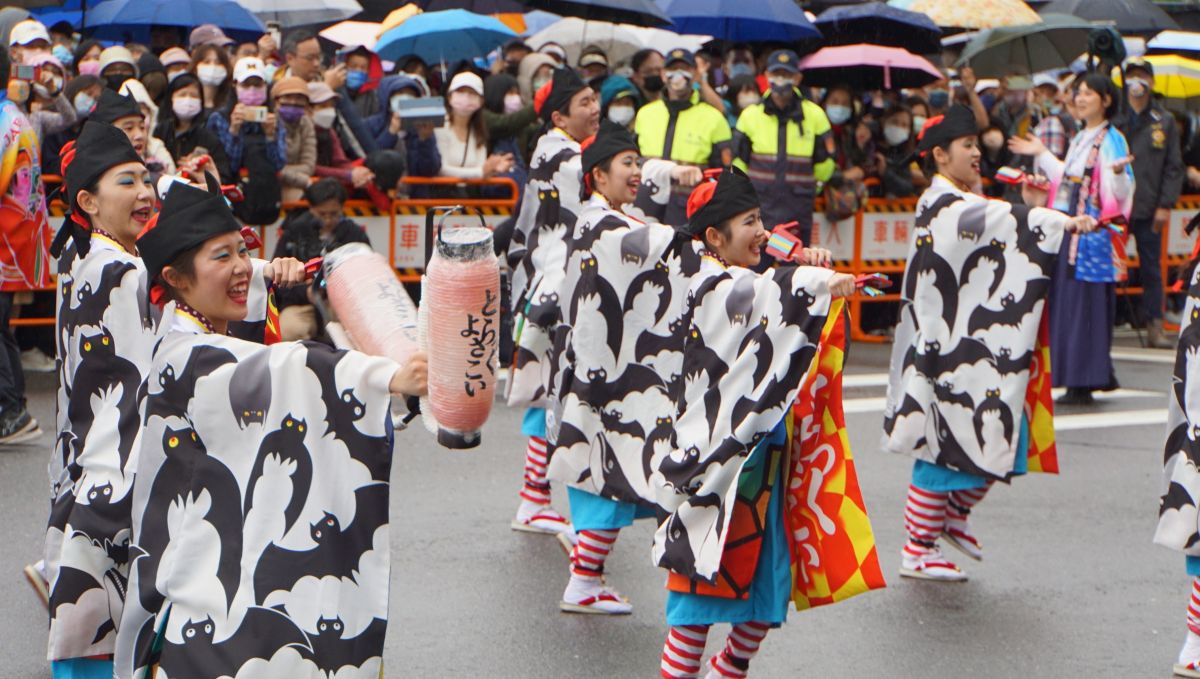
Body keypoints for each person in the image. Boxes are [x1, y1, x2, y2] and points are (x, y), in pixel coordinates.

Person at [112, 178, 426, 677]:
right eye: (222, 257)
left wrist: (269, 275)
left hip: (211, 569)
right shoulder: (188, 355)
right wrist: (383, 376)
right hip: (204, 580)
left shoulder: (197, 332)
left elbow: (253, 353)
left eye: (243, 250)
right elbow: (282, 369)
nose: (241, 267)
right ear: (176, 278)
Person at [654, 165, 870, 679]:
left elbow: (772, 284)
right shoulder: (707, 283)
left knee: (767, 595)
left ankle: (726, 671)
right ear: (713, 237)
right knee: (698, 601)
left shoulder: (741, 276)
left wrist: (805, 265)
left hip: (760, 457)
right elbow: (769, 292)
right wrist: (817, 279)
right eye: (748, 222)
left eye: (760, 220)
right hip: (715, 473)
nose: (761, 232)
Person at [884, 105, 1098, 581]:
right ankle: (917, 548)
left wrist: (1029, 205)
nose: (978, 153)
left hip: (974, 345)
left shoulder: (964, 200)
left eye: (978, 144)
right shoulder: (939, 203)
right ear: (940, 155)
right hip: (944, 347)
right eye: (968, 146)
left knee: (1003, 434)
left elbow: (999, 223)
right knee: (940, 443)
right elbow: (992, 220)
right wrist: (1053, 220)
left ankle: (953, 517)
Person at [546, 120, 671, 614]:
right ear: (598, 176)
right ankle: (583, 579)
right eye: (627, 164)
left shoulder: (608, 219)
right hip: (605, 374)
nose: (636, 172)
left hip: (603, 368)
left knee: (607, 470)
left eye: (638, 163)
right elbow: (671, 255)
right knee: (607, 472)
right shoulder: (608, 225)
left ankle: (586, 572)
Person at [506, 67, 598, 545]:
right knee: (552, 394)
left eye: (594, 98)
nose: (595, 108)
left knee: (549, 392)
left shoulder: (550, 147)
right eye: (584, 101)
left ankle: (534, 496)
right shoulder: (565, 155)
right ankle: (534, 499)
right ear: (560, 114)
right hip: (558, 288)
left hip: (546, 283)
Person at [1010, 72, 1135, 405]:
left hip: (1093, 238)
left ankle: (1086, 378)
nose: (1080, 99)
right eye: (1078, 93)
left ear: (1106, 100)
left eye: (1088, 94)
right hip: (1075, 232)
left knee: (1087, 307)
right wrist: (1041, 152)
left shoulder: (1112, 139)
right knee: (1073, 306)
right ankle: (1082, 375)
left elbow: (1120, 191)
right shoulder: (1082, 137)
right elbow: (1067, 178)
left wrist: (1120, 175)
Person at [733, 49, 834, 247]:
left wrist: (814, 186)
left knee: (795, 272)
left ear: (797, 78)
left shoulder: (815, 116)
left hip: (796, 211)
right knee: (757, 273)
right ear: (767, 76)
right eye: (776, 74)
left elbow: (825, 164)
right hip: (759, 213)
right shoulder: (750, 116)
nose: (781, 79)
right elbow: (739, 163)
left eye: (787, 75)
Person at [1118, 57, 1185, 349]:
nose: (1137, 81)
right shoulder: (1115, 117)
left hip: (1149, 205)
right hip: (1118, 204)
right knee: (1111, 266)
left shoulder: (1164, 120)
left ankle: (1155, 326)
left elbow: (1173, 166)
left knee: (1151, 269)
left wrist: (1165, 204)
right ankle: (1103, 323)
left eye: (1142, 76)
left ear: (1151, 81)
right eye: (1131, 76)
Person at [635, 48, 732, 224]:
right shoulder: (645, 114)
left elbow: (726, 175)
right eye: (672, 69)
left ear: (695, 74)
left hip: (690, 213)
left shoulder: (713, 118)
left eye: (684, 69)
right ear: (663, 75)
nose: (678, 75)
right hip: (646, 207)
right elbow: (633, 159)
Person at [274, 178, 370, 341]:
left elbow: (366, 277)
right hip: (300, 303)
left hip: (343, 304)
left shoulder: (354, 234)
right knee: (288, 330)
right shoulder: (294, 232)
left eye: (334, 214)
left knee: (357, 334)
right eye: (321, 214)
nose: (328, 220)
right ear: (311, 208)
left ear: (342, 208)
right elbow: (277, 279)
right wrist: (305, 292)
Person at [434, 71, 513, 180]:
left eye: (472, 93)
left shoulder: (479, 130)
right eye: (460, 91)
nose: (466, 97)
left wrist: (493, 167)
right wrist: (480, 172)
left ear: (481, 101)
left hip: (470, 195)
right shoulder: (440, 127)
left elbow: (482, 168)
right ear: (449, 96)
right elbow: (441, 169)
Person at [156, 73, 233, 183]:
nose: (188, 100)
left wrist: (201, 169)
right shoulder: (161, 131)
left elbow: (223, 177)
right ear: (171, 98)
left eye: (194, 96)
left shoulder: (208, 137)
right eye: (182, 94)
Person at [273, 75, 317, 203]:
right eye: (287, 97)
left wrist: (285, 172)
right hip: (271, 185)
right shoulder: (268, 123)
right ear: (276, 101)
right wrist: (302, 179)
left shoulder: (307, 123)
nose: (293, 102)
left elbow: (309, 165)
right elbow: (271, 167)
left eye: (299, 98)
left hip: (295, 184)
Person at [189, 43, 233, 113]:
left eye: (218, 63)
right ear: (195, 67)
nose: (213, 67)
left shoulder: (230, 101)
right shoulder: (188, 99)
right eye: (206, 62)